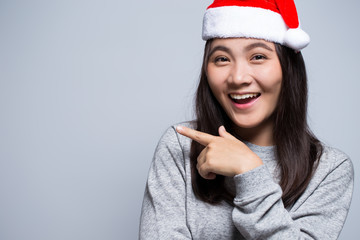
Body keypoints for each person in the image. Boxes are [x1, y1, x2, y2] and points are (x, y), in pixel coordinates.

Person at [139, 0, 354, 239]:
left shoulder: (329, 169)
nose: (238, 77)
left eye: (258, 56)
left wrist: (249, 171)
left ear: (288, 67)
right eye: (221, 59)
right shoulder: (180, 147)